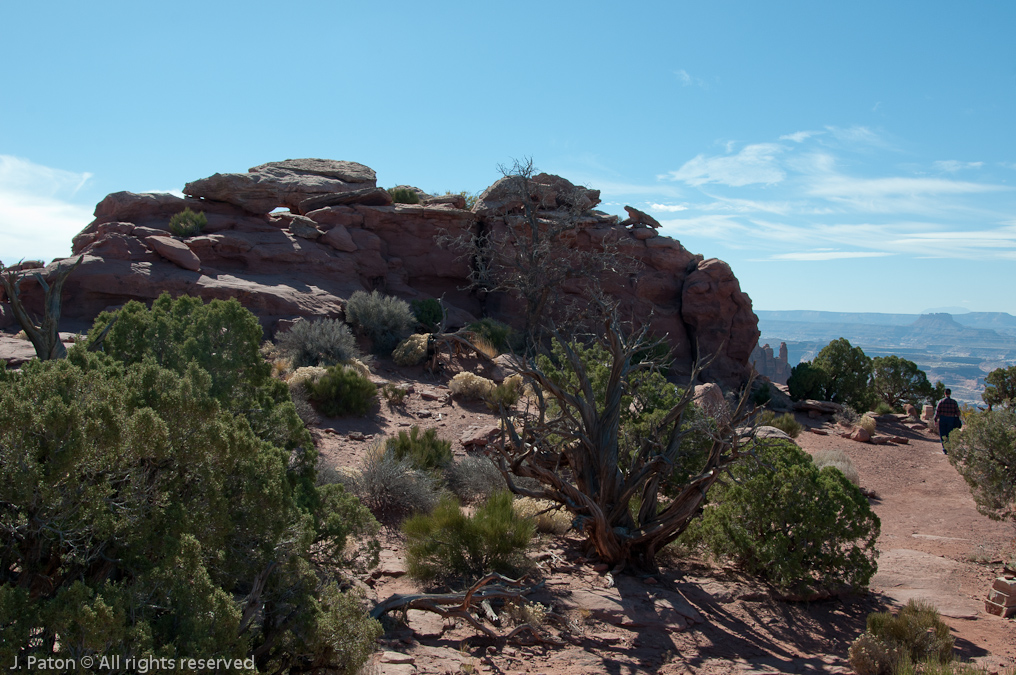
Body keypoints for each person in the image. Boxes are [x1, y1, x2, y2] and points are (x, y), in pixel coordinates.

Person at [934, 388, 962, 453]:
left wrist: (935, 419)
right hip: (951, 419)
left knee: (943, 434)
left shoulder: (941, 402)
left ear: (945, 393)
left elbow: (937, 412)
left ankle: (944, 449)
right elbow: (958, 413)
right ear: (950, 393)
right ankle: (949, 447)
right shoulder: (954, 402)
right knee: (950, 434)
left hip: (943, 419)